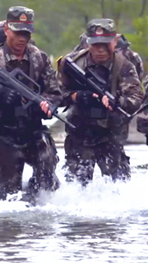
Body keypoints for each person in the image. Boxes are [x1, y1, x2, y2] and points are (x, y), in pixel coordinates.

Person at [0, 6, 61, 204]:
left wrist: (45, 104)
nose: (22, 38)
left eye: (26, 33)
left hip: (33, 130)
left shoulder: (39, 58)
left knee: (47, 181)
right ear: (6, 29)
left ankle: (33, 206)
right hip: (3, 133)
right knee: (7, 197)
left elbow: (55, 91)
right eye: (17, 32)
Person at [58, 19, 143, 185]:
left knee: (118, 186)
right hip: (79, 133)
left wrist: (118, 102)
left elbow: (136, 97)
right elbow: (57, 94)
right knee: (75, 186)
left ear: (114, 42)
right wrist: (76, 96)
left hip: (110, 134)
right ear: (88, 42)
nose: (100, 50)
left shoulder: (124, 65)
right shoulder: (74, 63)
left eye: (105, 44)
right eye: (96, 44)